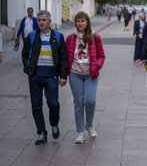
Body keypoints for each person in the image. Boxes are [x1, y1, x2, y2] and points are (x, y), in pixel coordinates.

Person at [22, 10, 68, 145]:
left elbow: (64, 57)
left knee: (53, 104)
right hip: (35, 77)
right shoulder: (31, 36)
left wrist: (63, 75)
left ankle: (54, 124)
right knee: (36, 106)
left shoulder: (58, 36)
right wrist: (28, 69)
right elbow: (24, 54)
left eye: (44, 20)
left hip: (51, 76)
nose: (41, 22)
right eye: (39, 20)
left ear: (49, 21)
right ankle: (42, 133)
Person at [66, 12, 105, 144]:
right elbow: (66, 57)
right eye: (78, 21)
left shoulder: (95, 37)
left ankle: (89, 124)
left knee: (90, 101)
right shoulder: (71, 38)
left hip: (91, 75)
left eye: (82, 21)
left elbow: (101, 56)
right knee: (78, 103)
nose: (80, 23)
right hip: (75, 74)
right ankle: (80, 132)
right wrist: (64, 74)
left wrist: (97, 66)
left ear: (87, 22)